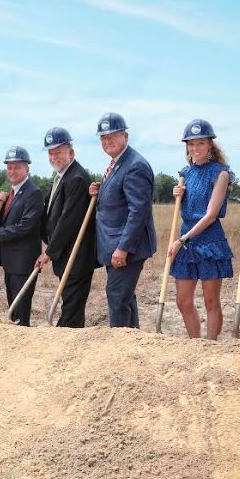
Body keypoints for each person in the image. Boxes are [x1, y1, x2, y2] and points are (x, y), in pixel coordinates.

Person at [167, 119, 234, 340]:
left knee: (210, 301)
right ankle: (195, 344)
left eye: (200, 143)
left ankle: (211, 346)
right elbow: (188, 207)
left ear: (210, 145)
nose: (195, 148)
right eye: (191, 144)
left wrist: (182, 240)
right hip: (187, 241)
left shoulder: (221, 174)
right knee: (182, 301)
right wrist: (179, 195)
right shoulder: (184, 175)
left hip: (209, 242)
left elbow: (211, 215)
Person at [88, 113, 157, 328]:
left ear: (125, 136)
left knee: (117, 296)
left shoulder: (135, 165)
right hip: (114, 245)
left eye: (112, 136)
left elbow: (139, 211)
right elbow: (117, 199)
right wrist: (99, 191)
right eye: (103, 137)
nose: (107, 141)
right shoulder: (118, 163)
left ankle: (118, 343)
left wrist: (123, 248)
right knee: (124, 297)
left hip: (126, 248)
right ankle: (132, 340)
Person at [37, 127, 98, 327]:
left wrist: (49, 252)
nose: (54, 157)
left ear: (71, 152)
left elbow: (68, 221)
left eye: (58, 152)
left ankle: (65, 339)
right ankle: (70, 338)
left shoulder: (76, 178)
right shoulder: (62, 176)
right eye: (51, 153)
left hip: (76, 255)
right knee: (71, 304)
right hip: (66, 254)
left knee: (72, 308)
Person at [0, 147, 44, 326]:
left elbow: (26, 226)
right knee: (13, 306)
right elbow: (7, 217)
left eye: (17, 167)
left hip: (23, 261)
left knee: (21, 309)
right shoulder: (11, 193)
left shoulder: (33, 193)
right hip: (10, 260)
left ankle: (23, 338)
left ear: (27, 169)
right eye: (9, 167)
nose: (12, 171)